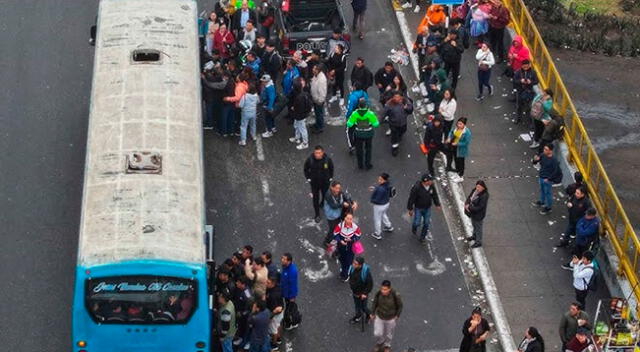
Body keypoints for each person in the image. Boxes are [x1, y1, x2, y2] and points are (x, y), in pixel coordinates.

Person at [303, 145, 335, 222]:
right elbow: (305, 169)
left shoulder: (327, 160)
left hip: (325, 183)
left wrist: (330, 178)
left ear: (322, 153)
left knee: (325, 195)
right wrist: (308, 178)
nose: (317, 155)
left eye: (319, 153)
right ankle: (317, 214)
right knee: (315, 199)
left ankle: (322, 203)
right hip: (314, 183)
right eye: (316, 153)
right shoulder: (310, 160)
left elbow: (331, 168)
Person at [407, 174, 441, 243]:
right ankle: (414, 227)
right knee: (417, 223)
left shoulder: (431, 186)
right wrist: (410, 209)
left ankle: (422, 237)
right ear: (425, 182)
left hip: (427, 208)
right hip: (418, 208)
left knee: (426, 223)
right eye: (430, 180)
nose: (432, 181)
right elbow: (411, 199)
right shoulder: (416, 188)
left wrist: (437, 204)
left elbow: (434, 195)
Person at [370, 280, 403, 351]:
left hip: (390, 318)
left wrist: (397, 315)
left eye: (385, 290)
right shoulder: (378, 293)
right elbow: (375, 302)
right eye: (382, 289)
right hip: (380, 316)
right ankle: (380, 342)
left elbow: (400, 306)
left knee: (389, 334)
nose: (383, 291)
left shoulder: (395, 295)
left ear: (389, 289)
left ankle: (387, 346)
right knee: (377, 333)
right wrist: (372, 313)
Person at [347, 99, 379, 169]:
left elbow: (349, 124)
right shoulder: (370, 114)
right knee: (368, 149)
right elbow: (376, 124)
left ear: (359, 105)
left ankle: (360, 165)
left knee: (359, 149)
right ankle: (367, 164)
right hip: (368, 134)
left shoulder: (355, 113)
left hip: (358, 134)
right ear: (366, 105)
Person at [532, 144, 562, 215]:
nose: (544, 150)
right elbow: (535, 162)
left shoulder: (554, 160)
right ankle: (542, 201)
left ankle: (548, 207)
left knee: (548, 193)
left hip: (547, 179)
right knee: (542, 190)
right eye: (544, 149)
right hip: (541, 176)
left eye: (546, 149)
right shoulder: (543, 155)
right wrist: (535, 160)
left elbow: (556, 171)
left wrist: (549, 179)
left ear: (550, 151)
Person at [332, 213, 362, 281]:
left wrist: (351, 240)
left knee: (348, 262)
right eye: (347, 218)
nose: (349, 220)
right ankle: (343, 269)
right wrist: (340, 241)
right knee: (342, 260)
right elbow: (335, 234)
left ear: (352, 219)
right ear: (345, 218)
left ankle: (345, 275)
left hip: (350, 248)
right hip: (341, 247)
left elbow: (358, 236)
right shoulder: (340, 226)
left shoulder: (355, 227)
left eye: (350, 219)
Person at [383, 92, 414, 156]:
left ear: (401, 97)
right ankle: (395, 148)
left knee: (403, 131)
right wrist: (382, 119)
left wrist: (406, 108)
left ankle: (399, 136)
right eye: (395, 97)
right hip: (393, 124)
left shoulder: (405, 102)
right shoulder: (389, 104)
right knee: (394, 137)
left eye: (398, 97)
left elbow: (411, 110)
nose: (396, 98)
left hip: (403, 123)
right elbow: (385, 112)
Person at [202, 65, 229, 131]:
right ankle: (211, 122)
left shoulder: (222, 82)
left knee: (210, 111)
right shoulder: (219, 78)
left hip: (213, 98)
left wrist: (204, 79)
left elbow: (210, 84)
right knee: (211, 111)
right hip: (215, 98)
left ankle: (210, 124)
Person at [445, 117, 472, 183]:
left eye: (460, 124)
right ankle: (457, 173)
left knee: (461, 163)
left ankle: (461, 176)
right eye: (458, 124)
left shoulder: (467, 133)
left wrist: (457, 144)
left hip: (461, 150)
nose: (459, 125)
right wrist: (449, 138)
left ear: (464, 125)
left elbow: (466, 143)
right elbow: (451, 132)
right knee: (456, 161)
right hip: (454, 147)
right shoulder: (456, 128)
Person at [345, 83, 370, 154]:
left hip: (354, 116)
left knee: (349, 131)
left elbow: (350, 109)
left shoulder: (352, 96)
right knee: (357, 129)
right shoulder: (364, 94)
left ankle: (352, 146)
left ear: (355, 87)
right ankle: (358, 143)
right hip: (362, 116)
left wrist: (347, 116)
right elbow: (368, 103)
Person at [464, 180, 490, 248]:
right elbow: (469, 197)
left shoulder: (484, 196)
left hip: (478, 214)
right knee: (474, 225)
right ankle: (474, 236)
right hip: (473, 212)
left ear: (483, 187)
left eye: (479, 187)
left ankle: (478, 242)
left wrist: (469, 207)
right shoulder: (475, 190)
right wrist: (467, 203)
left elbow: (480, 207)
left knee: (478, 227)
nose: (477, 188)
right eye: (477, 187)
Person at [288, 79, 312, 150]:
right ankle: (297, 138)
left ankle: (305, 143)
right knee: (297, 126)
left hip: (300, 115)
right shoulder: (304, 94)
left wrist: (293, 108)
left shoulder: (299, 97)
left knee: (302, 128)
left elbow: (299, 108)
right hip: (301, 115)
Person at [369, 173, 394, 240]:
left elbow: (377, 199)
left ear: (385, 180)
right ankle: (389, 226)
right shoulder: (387, 185)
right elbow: (381, 188)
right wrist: (375, 189)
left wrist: (372, 201)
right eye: (379, 179)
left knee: (377, 219)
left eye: (381, 179)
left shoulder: (380, 189)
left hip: (379, 206)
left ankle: (377, 233)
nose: (379, 180)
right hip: (386, 203)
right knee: (383, 214)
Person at [348, 257, 373, 323]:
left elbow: (370, 285)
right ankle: (358, 316)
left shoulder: (366, 273)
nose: (353, 265)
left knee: (364, 307)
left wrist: (365, 293)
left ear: (360, 265)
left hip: (362, 294)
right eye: (353, 263)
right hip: (355, 292)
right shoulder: (352, 268)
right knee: (357, 305)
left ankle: (369, 314)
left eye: (355, 264)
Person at [280, 253, 300, 330]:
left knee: (288, 311)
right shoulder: (285, 267)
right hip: (286, 293)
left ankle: (289, 324)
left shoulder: (292, 271)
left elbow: (293, 285)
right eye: (282, 258)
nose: (282, 260)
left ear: (289, 261)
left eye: (284, 259)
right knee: (289, 308)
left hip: (289, 295)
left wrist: (292, 297)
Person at [265, 277, 284, 350]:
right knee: (278, 325)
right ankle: (279, 338)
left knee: (273, 330)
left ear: (273, 284)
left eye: (268, 283)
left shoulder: (273, 296)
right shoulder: (278, 287)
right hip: (281, 312)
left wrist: (270, 317)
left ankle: (274, 344)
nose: (266, 284)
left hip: (275, 315)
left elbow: (274, 310)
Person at [310, 64, 328, 133]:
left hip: (318, 101)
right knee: (317, 113)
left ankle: (320, 127)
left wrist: (320, 101)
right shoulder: (316, 76)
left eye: (314, 69)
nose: (313, 70)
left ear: (318, 70)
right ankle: (317, 124)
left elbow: (322, 92)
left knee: (319, 114)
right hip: (315, 99)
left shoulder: (321, 80)